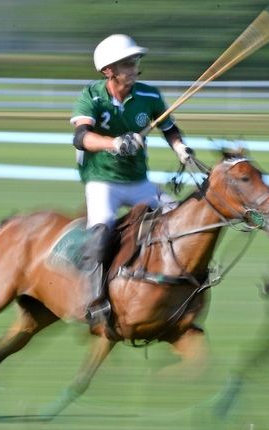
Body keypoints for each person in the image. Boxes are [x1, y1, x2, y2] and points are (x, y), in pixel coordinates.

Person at [70, 34, 194, 326]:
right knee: (101, 232)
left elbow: (169, 128)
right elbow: (80, 137)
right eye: (127, 63)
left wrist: (180, 148)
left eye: (135, 61)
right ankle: (94, 298)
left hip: (138, 180)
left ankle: (178, 286)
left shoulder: (149, 96)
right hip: (103, 180)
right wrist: (114, 143)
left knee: (180, 218)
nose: (134, 67)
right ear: (108, 70)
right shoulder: (92, 95)